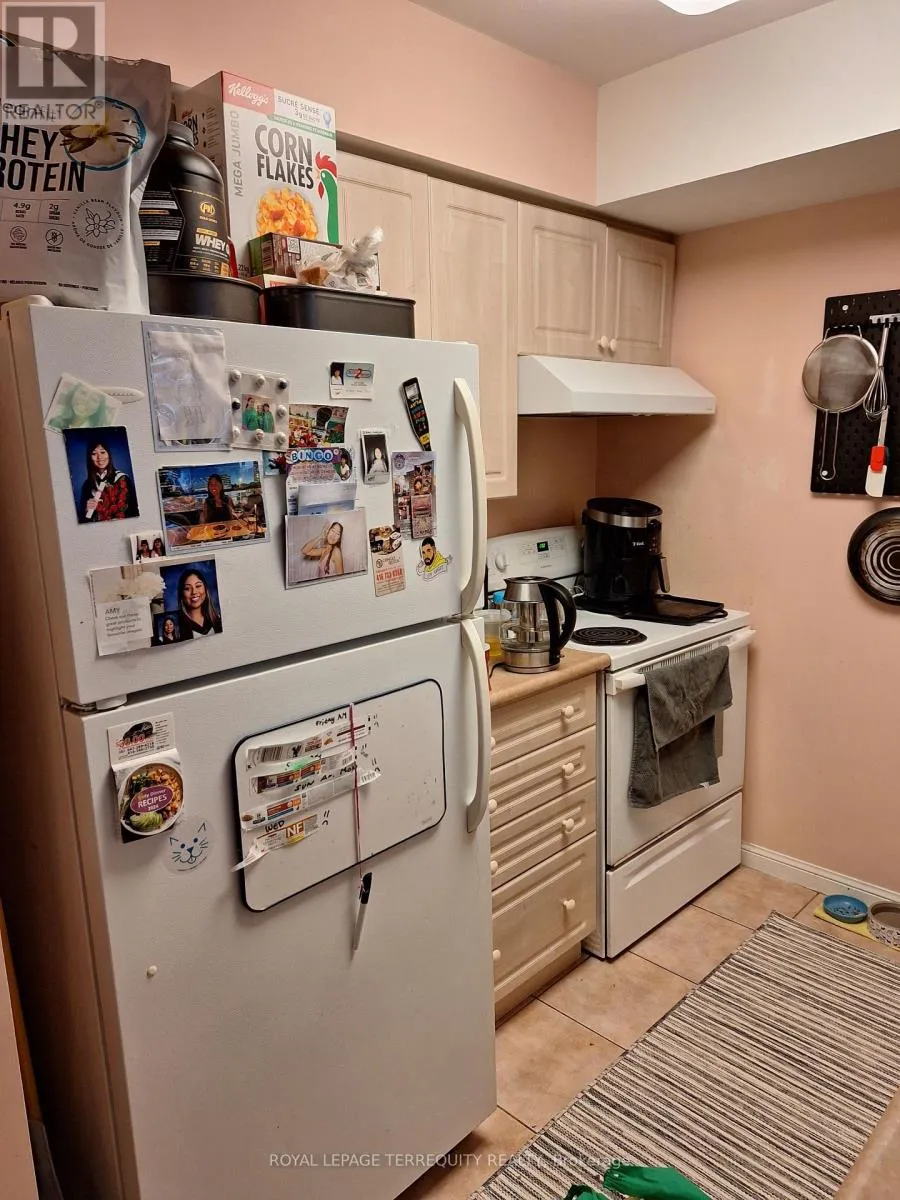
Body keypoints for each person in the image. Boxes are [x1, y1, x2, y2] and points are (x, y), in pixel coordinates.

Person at [79, 437, 137, 522]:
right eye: (94, 454)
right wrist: (86, 510)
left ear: (108, 454)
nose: (99, 457)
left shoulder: (123, 479)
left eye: (102, 452)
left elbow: (134, 512)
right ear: (89, 457)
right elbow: (82, 521)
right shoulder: (87, 485)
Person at [177, 568, 222, 638]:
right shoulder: (177, 627)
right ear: (181, 594)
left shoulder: (218, 620)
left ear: (205, 588)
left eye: (198, 586)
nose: (194, 592)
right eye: (187, 588)